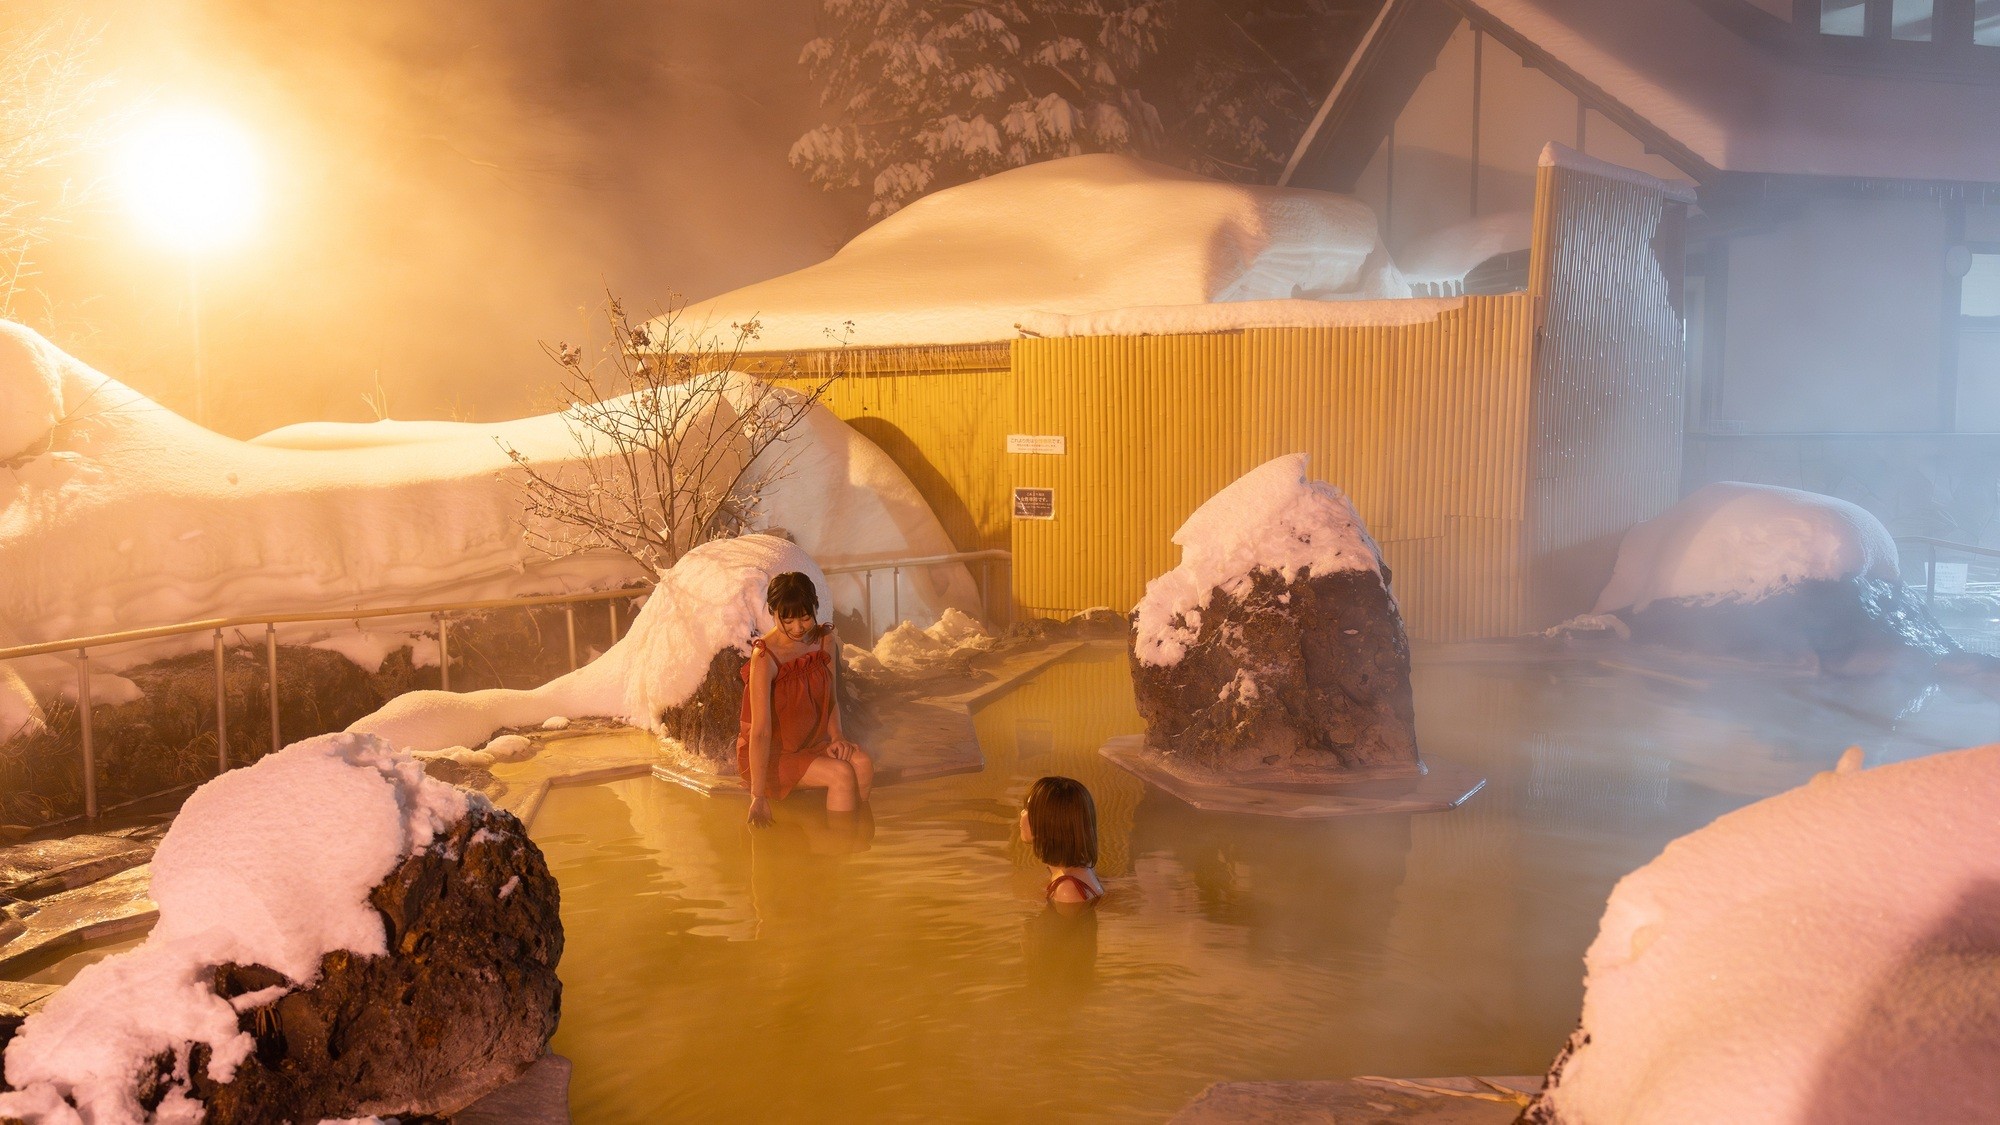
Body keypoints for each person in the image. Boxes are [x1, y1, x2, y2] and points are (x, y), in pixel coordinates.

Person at [738, 571, 872, 827]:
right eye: (786, 620)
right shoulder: (765, 657)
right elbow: (761, 731)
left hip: (812, 743)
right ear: (772, 611)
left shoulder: (824, 640)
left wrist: (837, 737)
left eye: (805, 617)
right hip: (775, 754)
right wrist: (758, 795)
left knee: (863, 764)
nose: (797, 628)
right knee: (841, 774)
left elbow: (830, 696)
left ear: (815, 608)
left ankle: (859, 840)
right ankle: (839, 855)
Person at [1019, 776, 1104, 906]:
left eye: (1028, 809)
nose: (1021, 814)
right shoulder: (1080, 866)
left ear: (1051, 823)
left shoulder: (1067, 891)